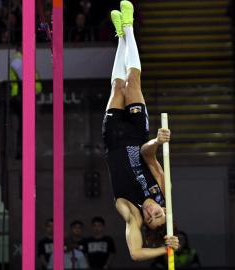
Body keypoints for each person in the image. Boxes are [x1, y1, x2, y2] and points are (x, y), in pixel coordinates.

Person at [102, 1, 179, 261]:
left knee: (117, 87)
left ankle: (121, 37)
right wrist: (157, 140)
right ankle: (129, 28)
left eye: (151, 219)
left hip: (113, 140)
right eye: (158, 214)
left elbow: (135, 253)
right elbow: (148, 155)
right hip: (137, 134)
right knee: (132, 80)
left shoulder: (131, 212)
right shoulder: (163, 191)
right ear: (165, 212)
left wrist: (165, 250)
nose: (150, 213)